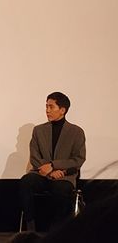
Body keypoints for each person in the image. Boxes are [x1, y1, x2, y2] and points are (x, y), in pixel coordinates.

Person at [19, 91, 85, 232]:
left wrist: (54, 166)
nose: (47, 110)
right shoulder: (38, 130)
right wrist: (49, 172)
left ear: (62, 110)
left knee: (60, 189)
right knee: (26, 181)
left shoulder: (76, 132)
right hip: (41, 174)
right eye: (46, 106)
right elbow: (34, 156)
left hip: (64, 176)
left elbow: (78, 159)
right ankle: (30, 227)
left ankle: (56, 230)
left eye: (51, 107)